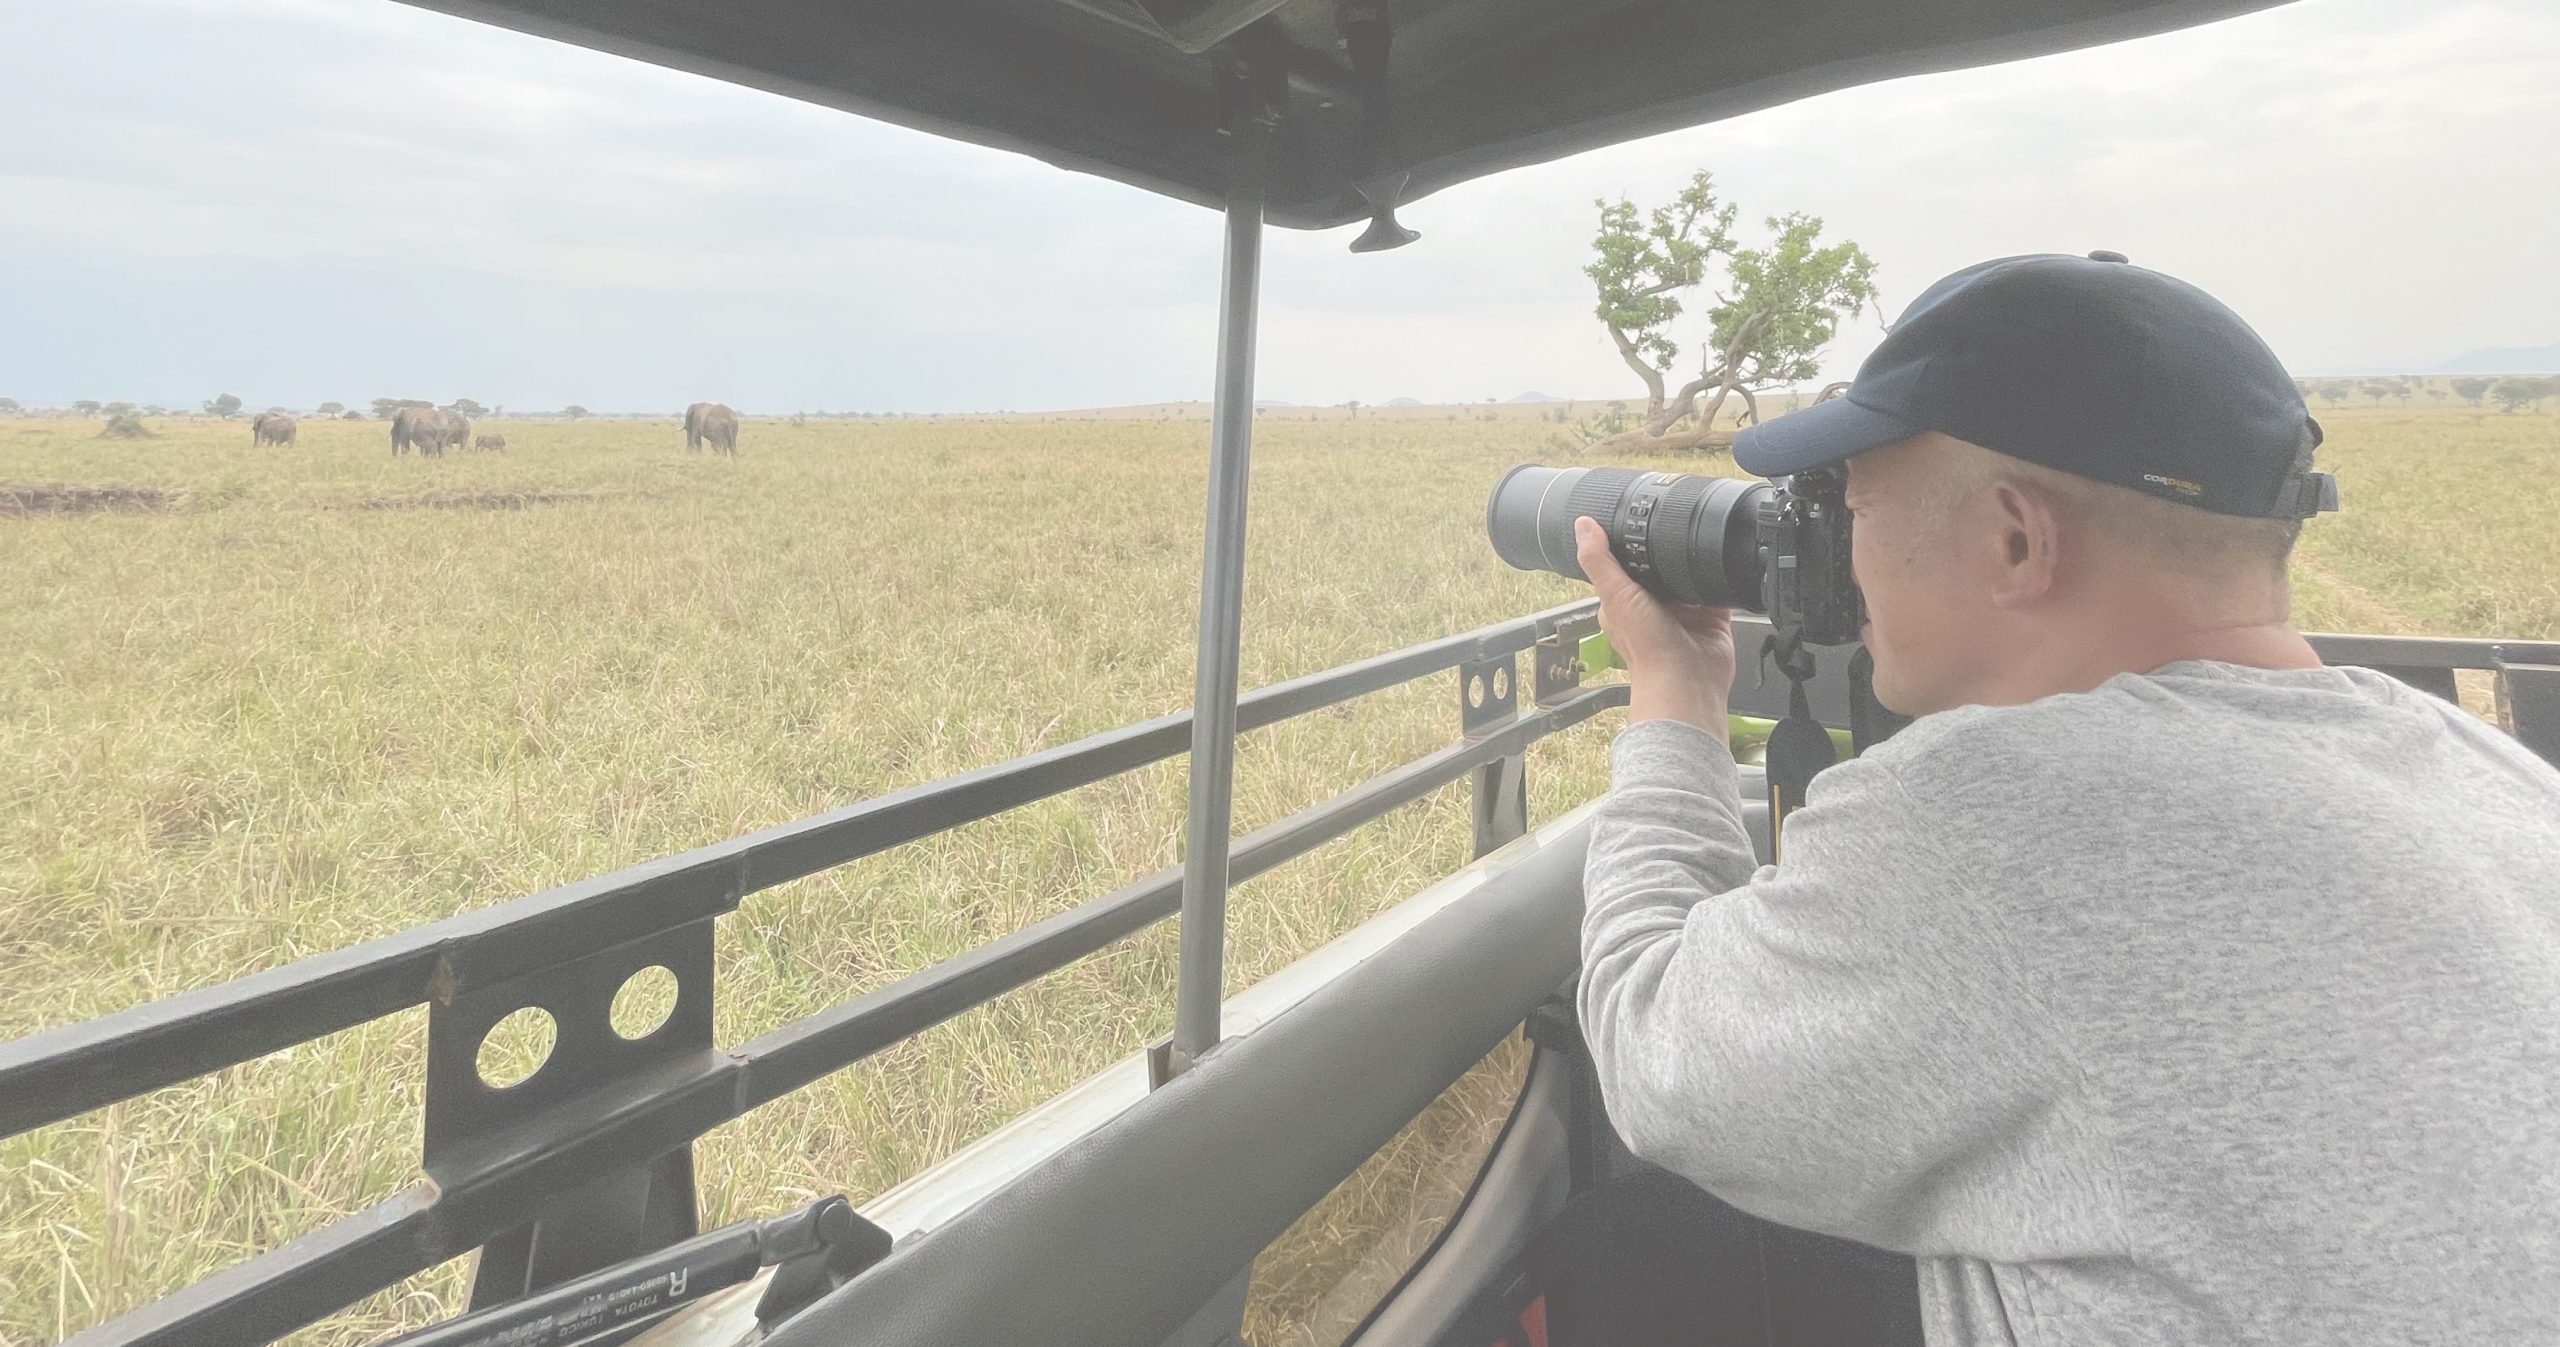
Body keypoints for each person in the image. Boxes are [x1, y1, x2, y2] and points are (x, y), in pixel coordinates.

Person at [1573, 251, 2560, 1345]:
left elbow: (1656, 1056)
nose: (1838, 555)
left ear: (2014, 538)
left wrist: (1672, 690)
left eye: (1851, 508)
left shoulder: (1982, 823)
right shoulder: (2484, 773)